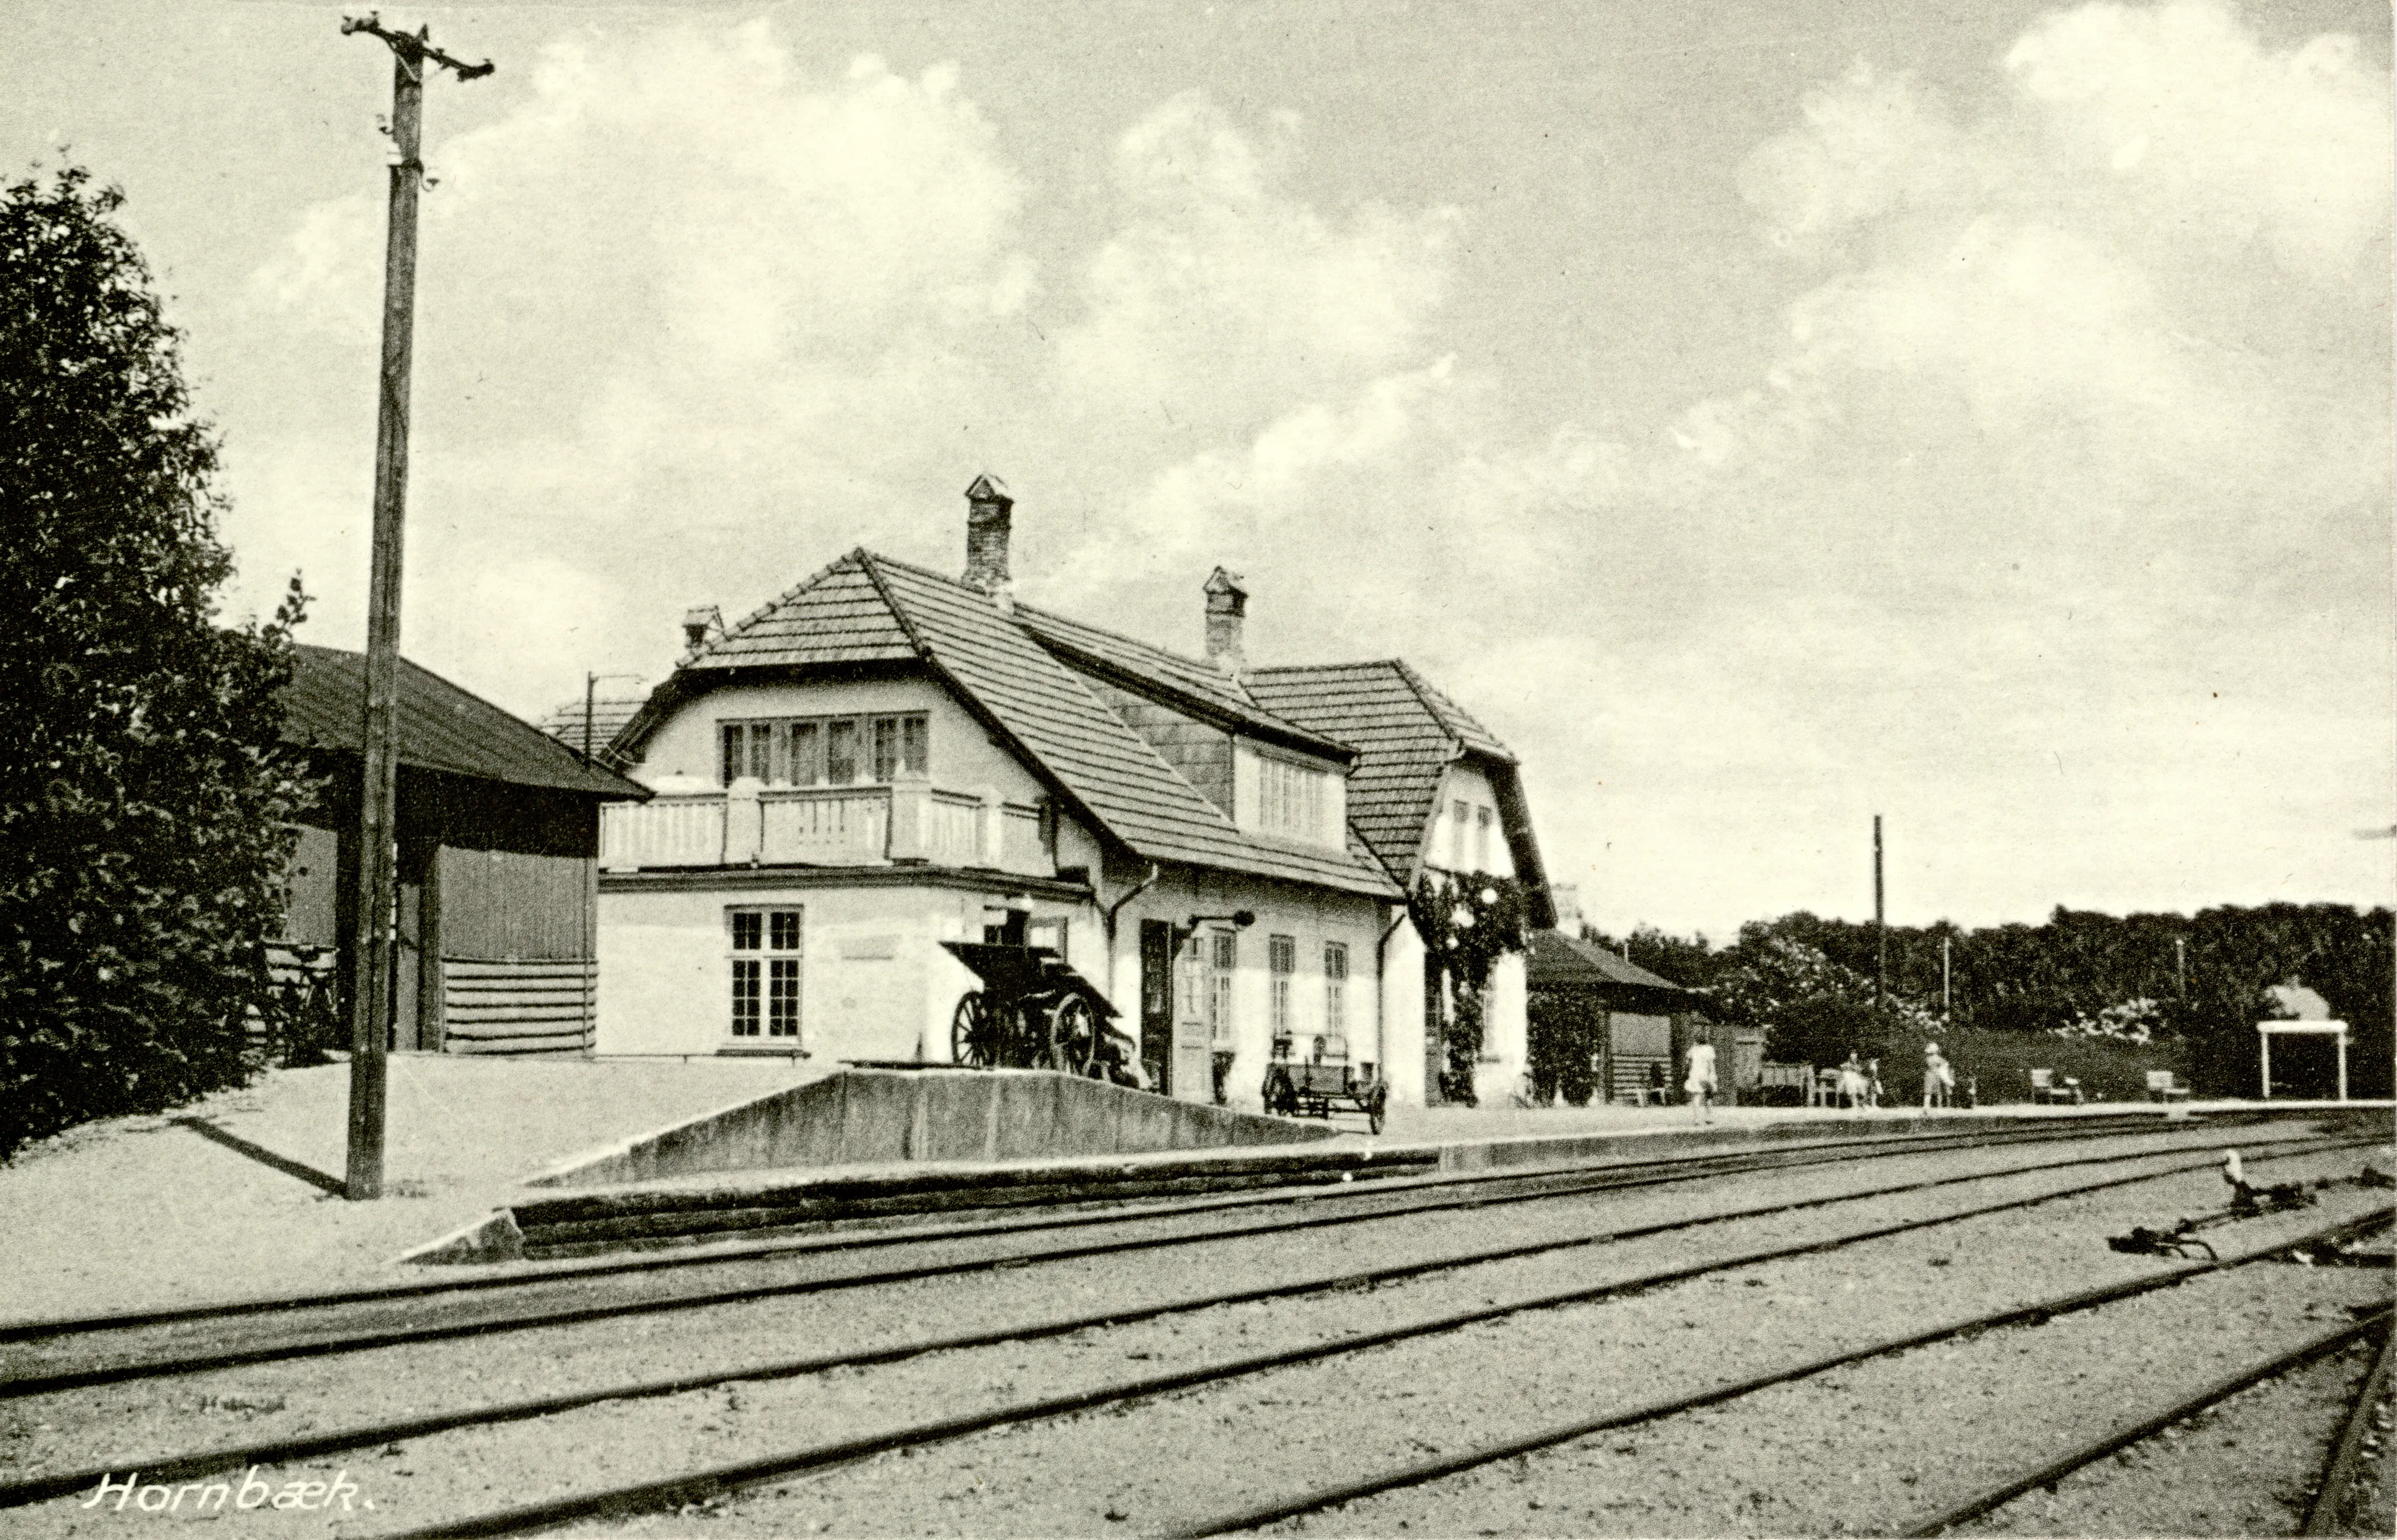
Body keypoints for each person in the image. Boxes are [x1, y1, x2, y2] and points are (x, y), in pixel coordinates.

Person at [1684, 1032, 1719, 1125]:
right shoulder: (1709, 1049)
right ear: (1706, 1041)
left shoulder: (1693, 1050)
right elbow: (1711, 1064)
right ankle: (1709, 1117)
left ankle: (1696, 1119)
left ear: (1696, 1041)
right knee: (1709, 1095)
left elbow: (1687, 1062)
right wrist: (1713, 1074)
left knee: (1696, 1096)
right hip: (1706, 1074)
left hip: (1695, 1074)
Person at [1922, 1042, 1956, 1111]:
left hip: (1929, 1075)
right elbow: (1946, 1064)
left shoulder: (1928, 1058)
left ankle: (1926, 1107)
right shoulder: (1937, 1058)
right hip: (1936, 1076)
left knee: (1928, 1092)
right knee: (1938, 1092)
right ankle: (1938, 1107)